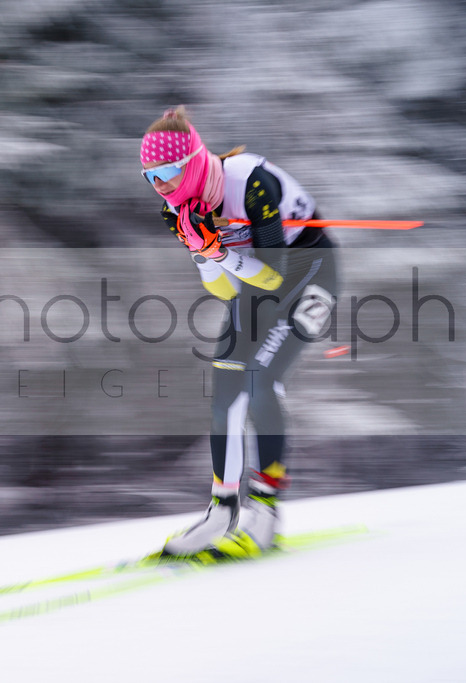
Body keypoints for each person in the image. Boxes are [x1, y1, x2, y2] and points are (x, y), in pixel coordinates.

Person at [140, 106, 338, 559]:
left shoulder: (250, 183)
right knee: (226, 383)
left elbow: (274, 277)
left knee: (261, 381)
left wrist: (216, 249)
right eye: (150, 176)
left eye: (168, 171)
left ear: (192, 161)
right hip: (254, 285)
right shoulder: (178, 209)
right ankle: (222, 511)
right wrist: (204, 252)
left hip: (312, 276)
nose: (161, 185)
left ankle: (266, 512)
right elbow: (225, 288)